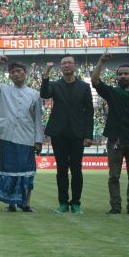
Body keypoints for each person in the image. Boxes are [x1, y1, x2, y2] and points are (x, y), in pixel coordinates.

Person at [91, 52, 129, 214]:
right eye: (120, 74)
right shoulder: (112, 93)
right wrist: (101, 61)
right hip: (115, 139)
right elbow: (95, 81)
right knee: (114, 176)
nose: (123, 76)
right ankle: (115, 207)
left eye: (126, 73)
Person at [0, 57, 44, 212]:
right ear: (9, 75)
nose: (16, 74)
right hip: (8, 137)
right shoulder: (3, 90)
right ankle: (10, 204)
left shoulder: (35, 95)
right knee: (8, 171)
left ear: (25, 73)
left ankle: (25, 203)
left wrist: (38, 140)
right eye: (12, 72)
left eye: (19, 71)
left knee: (27, 173)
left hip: (27, 139)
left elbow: (38, 119)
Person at [40, 55, 95, 214]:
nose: (66, 65)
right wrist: (46, 75)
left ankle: (76, 203)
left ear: (75, 66)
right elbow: (44, 95)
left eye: (69, 63)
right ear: (61, 67)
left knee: (76, 169)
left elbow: (89, 111)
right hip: (59, 132)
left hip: (77, 133)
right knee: (61, 170)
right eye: (63, 63)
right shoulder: (55, 85)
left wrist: (88, 135)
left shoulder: (84, 87)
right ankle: (63, 203)